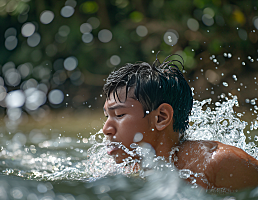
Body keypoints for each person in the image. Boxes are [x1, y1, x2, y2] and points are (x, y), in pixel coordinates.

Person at [102, 54, 258, 190]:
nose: (106, 129)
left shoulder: (217, 163)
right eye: (107, 116)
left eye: (119, 114)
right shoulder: (127, 169)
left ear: (161, 117)